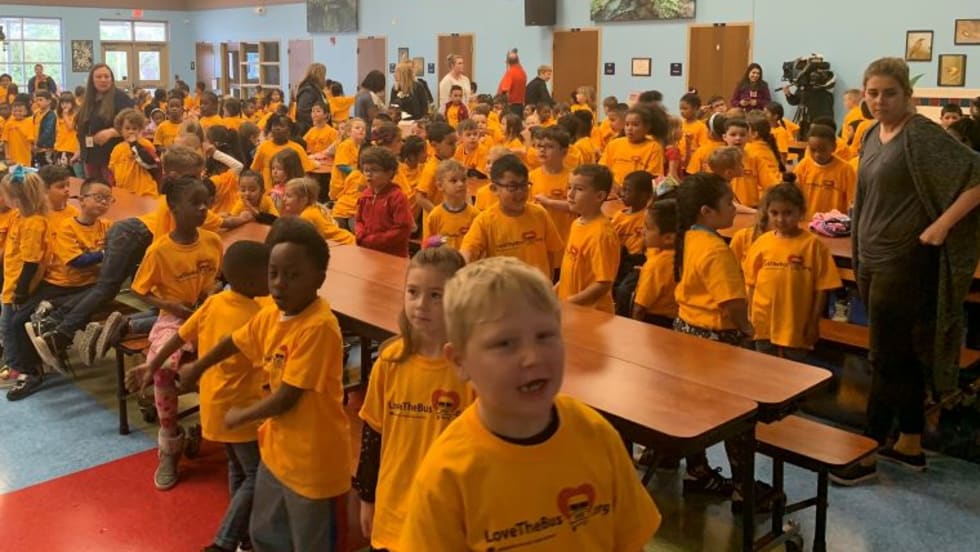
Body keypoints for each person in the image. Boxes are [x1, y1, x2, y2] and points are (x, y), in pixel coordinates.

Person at [399, 255, 661, 549]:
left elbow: (629, 540)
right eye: (505, 343)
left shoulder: (596, 435)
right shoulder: (447, 476)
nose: (532, 357)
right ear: (460, 362)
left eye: (545, 336)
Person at [830, 57, 980, 485]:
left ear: (907, 95)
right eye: (873, 93)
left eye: (889, 93)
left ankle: (867, 449)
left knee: (883, 354)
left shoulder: (920, 134)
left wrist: (941, 225)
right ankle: (910, 443)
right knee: (901, 353)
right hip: (873, 255)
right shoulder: (870, 133)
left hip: (905, 260)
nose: (880, 101)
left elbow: (976, 175)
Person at [177, 217, 352, 550]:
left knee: (310, 544)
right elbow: (236, 340)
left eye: (293, 275)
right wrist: (198, 366)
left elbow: (288, 397)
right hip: (276, 452)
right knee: (265, 535)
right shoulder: (271, 314)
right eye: (273, 273)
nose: (279, 285)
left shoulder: (318, 327)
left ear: (319, 279)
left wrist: (241, 415)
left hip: (313, 464)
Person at [125, 240, 268, 551]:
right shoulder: (257, 315)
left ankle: (243, 537)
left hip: (214, 403)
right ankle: (224, 541)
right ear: (251, 281)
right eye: (269, 274)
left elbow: (181, 334)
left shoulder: (215, 303)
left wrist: (153, 364)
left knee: (237, 469)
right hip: (240, 408)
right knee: (256, 474)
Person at [352, 246, 472, 549]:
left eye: (436, 295)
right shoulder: (390, 361)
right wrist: (367, 497)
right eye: (413, 292)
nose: (421, 305)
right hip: (393, 513)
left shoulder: (470, 370)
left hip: (447, 520)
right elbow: (373, 436)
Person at [744, 182, 841, 360]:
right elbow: (751, 284)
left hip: (796, 324)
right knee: (763, 367)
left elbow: (822, 288)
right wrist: (749, 316)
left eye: (788, 213)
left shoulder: (814, 246)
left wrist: (813, 323)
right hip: (763, 323)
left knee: (795, 369)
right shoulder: (761, 243)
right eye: (774, 213)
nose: (781, 219)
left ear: (801, 212)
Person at [460, 154, 564, 278]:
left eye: (524, 185)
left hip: (537, 287)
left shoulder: (540, 214)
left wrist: (548, 282)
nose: (520, 192)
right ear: (494, 189)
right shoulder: (485, 221)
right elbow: (468, 251)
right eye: (512, 187)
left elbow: (551, 252)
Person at [1, 169, 50, 399]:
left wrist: (20, 293)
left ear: (17, 199)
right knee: (8, 327)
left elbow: (31, 262)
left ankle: (25, 370)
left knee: (11, 327)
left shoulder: (33, 223)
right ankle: (15, 365)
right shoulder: (19, 216)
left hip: (19, 288)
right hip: (10, 282)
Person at [556, 164, 620, 312]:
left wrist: (570, 303)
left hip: (591, 314)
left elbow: (603, 283)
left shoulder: (602, 234)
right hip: (569, 309)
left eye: (579, 189)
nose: (570, 194)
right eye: (569, 187)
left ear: (599, 196)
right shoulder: (576, 224)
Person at [76, 64, 136, 180]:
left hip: (111, 156)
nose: (103, 80)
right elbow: (83, 127)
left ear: (111, 79)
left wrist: (112, 132)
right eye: (99, 77)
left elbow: (134, 124)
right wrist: (80, 149)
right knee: (93, 187)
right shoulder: (88, 99)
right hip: (90, 156)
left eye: (106, 76)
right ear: (92, 80)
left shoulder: (121, 98)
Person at [354, 146, 413, 256]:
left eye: (375, 170)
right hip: (368, 251)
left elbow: (403, 228)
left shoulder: (397, 197)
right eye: (366, 170)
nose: (369, 174)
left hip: (392, 255)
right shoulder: (365, 195)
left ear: (389, 173)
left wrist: (374, 240)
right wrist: (361, 235)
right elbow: (359, 220)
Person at [793, 124, 856, 219]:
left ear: (834, 147)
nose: (817, 154)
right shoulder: (803, 166)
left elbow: (852, 202)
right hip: (807, 221)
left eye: (822, 150)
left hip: (834, 224)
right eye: (813, 150)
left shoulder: (846, 169)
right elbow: (794, 194)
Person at [632, 199, 678, 327]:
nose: (643, 231)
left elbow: (639, 308)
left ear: (668, 238)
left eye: (648, 228)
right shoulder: (685, 255)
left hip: (653, 321)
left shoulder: (655, 266)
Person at [599, 104, 667, 186]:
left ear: (647, 127)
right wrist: (615, 186)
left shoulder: (654, 147)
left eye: (635, 125)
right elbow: (603, 170)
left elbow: (653, 177)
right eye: (627, 124)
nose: (629, 128)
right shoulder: (613, 144)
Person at [529, 126, 576, 242]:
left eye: (549, 146)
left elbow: (577, 207)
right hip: (539, 239)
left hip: (564, 238)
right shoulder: (531, 176)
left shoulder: (573, 178)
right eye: (539, 146)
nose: (542, 150)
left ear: (564, 152)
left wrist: (549, 202)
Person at [250, 114, 313, 194]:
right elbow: (254, 171)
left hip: (291, 193)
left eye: (282, 126)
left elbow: (306, 173)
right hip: (268, 193)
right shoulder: (263, 147)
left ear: (289, 130)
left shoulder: (297, 148)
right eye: (275, 125)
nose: (277, 128)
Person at [282, 177, 356, 245]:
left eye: (289, 196)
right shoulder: (312, 208)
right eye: (284, 195)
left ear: (304, 200)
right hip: (346, 241)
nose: (284, 199)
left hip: (347, 244)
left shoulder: (307, 215)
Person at [424, 159, 478, 249]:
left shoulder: (475, 215)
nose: (460, 184)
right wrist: (439, 240)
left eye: (463, 180)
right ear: (440, 186)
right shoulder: (435, 216)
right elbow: (426, 246)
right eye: (453, 181)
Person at [108, 108, 161, 197]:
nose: (131, 131)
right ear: (121, 130)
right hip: (124, 193)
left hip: (145, 193)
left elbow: (150, 164)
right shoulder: (117, 149)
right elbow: (112, 172)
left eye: (134, 128)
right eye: (127, 128)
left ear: (140, 130)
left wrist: (134, 145)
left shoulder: (145, 144)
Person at [330, 118, 367, 229]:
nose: (361, 130)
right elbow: (342, 165)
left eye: (363, 129)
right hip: (340, 185)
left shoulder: (359, 147)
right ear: (348, 132)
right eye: (357, 128)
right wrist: (357, 173)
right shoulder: (345, 145)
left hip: (351, 184)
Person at [294, 63, 327, 136]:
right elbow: (303, 112)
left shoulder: (316, 89)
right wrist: (317, 122)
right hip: (309, 130)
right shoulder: (308, 90)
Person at [1, 99, 35, 166]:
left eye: (20, 111)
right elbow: (5, 141)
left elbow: (31, 140)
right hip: (11, 157)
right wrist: (7, 154)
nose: (17, 113)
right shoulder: (8, 124)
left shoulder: (29, 122)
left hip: (25, 156)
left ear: (26, 112)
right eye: (15, 111)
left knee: (25, 171)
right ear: (11, 111)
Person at [497, 49, 527, 117]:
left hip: (511, 107)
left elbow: (505, 91)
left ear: (507, 62)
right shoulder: (523, 73)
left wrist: (502, 106)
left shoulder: (510, 73)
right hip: (520, 106)